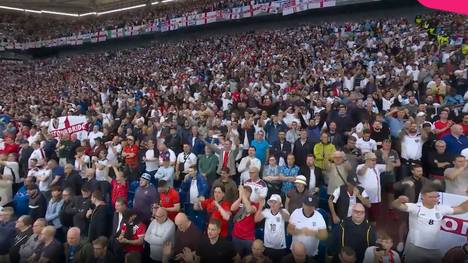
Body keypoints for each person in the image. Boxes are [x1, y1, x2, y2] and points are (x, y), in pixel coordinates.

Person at [392, 184, 468, 263]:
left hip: (434, 250)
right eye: (431, 197)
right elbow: (396, 205)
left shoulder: (441, 209)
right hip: (416, 249)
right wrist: (399, 200)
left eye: (436, 196)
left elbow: (462, 208)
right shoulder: (416, 207)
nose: (434, 199)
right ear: (422, 197)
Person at [288, 192, 328, 258]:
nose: (309, 208)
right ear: (303, 204)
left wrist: (312, 233)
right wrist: (300, 231)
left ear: (315, 206)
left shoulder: (319, 216)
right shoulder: (296, 213)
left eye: (311, 206)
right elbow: (289, 230)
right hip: (296, 252)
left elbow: (324, 235)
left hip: (311, 254)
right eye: (307, 205)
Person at [356, 152, 392, 223]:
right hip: (364, 198)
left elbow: (389, 168)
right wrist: (367, 165)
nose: (374, 162)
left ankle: (372, 232)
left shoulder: (377, 167)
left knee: (374, 218)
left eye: (375, 160)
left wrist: (387, 160)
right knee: (362, 218)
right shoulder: (360, 166)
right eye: (372, 160)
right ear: (367, 160)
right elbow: (361, 173)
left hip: (375, 199)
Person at [254, 194, 290, 262]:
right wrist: (260, 207)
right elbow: (256, 219)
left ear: (280, 204)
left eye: (275, 202)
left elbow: (287, 219)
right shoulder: (266, 211)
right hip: (268, 245)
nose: (273, 204)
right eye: (271, 202)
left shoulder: (284, 211)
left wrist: (279, 209)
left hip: (280, 247)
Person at [231, 185, 258, 257]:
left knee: (249, 259)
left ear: (250, 193)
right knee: (236, 258)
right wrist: (240, 197)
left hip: (248, 238)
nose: (244, 193)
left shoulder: (254, 204)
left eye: (246, 192)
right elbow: (232, 208)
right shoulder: (239, 202)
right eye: (243, 191)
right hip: (236, 236)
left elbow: (249, 209)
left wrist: (243, 195)